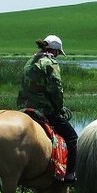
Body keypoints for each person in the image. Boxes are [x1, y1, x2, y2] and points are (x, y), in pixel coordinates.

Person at [17, 34, 77, 184]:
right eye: (58, 54)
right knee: (72, 138)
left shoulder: (30, 61)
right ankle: (70, 174)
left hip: (23, 109)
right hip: (43, 110)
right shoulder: (50, 63)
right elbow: (56, 89)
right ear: (55, 51)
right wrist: (59, 108)